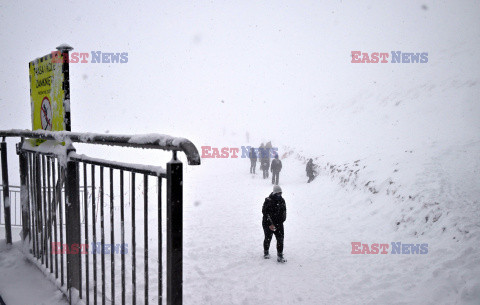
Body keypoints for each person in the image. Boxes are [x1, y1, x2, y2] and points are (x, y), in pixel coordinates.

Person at [262, 185, 287, 263]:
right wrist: (270, 224)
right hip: (268, 224)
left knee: (280, 239)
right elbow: (265, 213)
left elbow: (284, 211)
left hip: (279, 223)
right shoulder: (268, 201)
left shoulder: (282, 201)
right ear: (274, 193)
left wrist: (282, 221)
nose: (279, 195)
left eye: (280, 193)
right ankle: (266, 252)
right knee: (268, 238)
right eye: (278, 193)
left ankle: (280, 255)